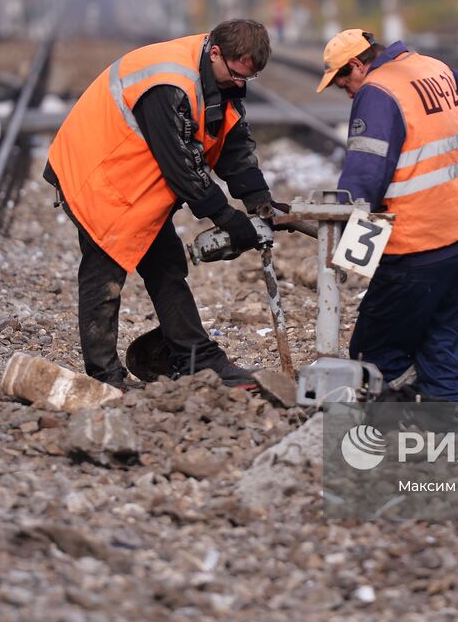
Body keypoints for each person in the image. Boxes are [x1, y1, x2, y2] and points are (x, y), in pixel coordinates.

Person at [44, 20, 282, 389]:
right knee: (104, 276)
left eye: (246, 80)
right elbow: (182, 166)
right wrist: (225, 216)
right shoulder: (168, 84)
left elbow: (232, 143)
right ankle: (104, 377)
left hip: (137, 180)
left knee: (167, 265)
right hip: (98, 177)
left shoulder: (218, 80)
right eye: (236, 75)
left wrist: (258, 199)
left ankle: (197, 359)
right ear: (215, 52)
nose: (239, 84)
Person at [316, 29, 458, 402]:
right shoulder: (429, 67)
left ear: (356, 65)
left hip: (416, 245)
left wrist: (347, 249)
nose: (346, 91)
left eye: (343, 81)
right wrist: (451, 154)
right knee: (439, 341)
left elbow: (364, 177)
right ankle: (447, 429)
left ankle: (394, 432)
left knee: (373, 353)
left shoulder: (376, 92)